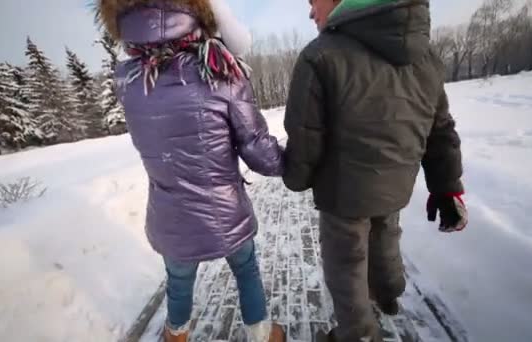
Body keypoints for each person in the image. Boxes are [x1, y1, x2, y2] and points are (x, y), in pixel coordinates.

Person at [95, 1, 285, 341]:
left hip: (169, 216)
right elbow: (259, 151)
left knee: (179, 283)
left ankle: (176, 335)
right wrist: (298, 162)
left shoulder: (129, 81)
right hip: (225, 213)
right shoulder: (219, 70)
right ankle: (261, 334)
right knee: (246, 269)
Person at [282, 0, 468, 341]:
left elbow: (305, 135)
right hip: (396, 185)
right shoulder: (424, 56)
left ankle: (359, 332)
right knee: (384, 232)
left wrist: (296, 177)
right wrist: (447, 188)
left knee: (346, 263)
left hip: (344, 195)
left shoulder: (320, 55)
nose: (311, 12)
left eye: (313, 2)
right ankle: (388, 291)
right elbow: (440, 129)